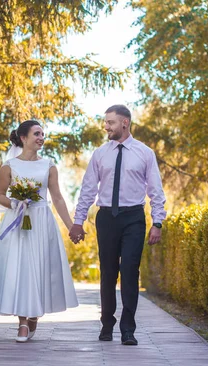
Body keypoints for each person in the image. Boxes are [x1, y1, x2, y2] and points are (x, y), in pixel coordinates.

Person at [69, 104, 166, 345]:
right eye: (105, 122)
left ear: (125, 123)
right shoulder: (101, 153)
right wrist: (78, 221)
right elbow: (88, 189)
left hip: (133, 217)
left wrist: (158, 222)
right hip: (106, 218)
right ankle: (106, 324)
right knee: (108, 272)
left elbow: (155, 190)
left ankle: (128, 329)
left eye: (110, 123)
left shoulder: (145, 153)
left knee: (130, 272)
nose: (106, 127)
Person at [0, 120, 79, 342]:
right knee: (22, 269)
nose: (41, 138)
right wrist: (15, 203)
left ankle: (34, 315)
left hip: (42, 221)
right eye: (36, 134)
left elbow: (58, 198)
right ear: (23, 138)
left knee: (40, 268)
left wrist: (71, 225)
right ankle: (23, 322)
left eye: (43, 134)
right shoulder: (9, 166)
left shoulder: (49, 166)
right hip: (17, 221)